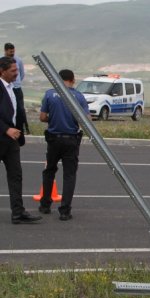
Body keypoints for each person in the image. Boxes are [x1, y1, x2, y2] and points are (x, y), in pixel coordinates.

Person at [38, 69, 90, 221]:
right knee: (69, 175)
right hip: (71, 140)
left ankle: (45, 204)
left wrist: (53, 118)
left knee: (49, 171)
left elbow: (42, 117)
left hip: (53, 139)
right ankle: (65, 210)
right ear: (72, 80)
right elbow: (86, 119)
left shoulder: (49, 94)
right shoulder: (78, 96)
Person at [0, 56, 41, 224]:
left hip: (12, 141)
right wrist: (5, 129)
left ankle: (17, 212)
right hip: (2, 135)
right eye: (13, 71)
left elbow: (16, 112)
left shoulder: (13, 88)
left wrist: (20, 131)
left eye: (17, 70)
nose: (17, 73)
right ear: (2, 71)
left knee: (16, 175)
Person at [4, 43, 29, 135]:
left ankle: (22, 128)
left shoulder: (18, 60)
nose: (12, 53)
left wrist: (16, 82)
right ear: (6, 51)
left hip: (17, 88)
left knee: (20, 109)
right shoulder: (2, 60)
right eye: (10, 52)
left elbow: (21, 74)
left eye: (13, 51)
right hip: (5, 88)